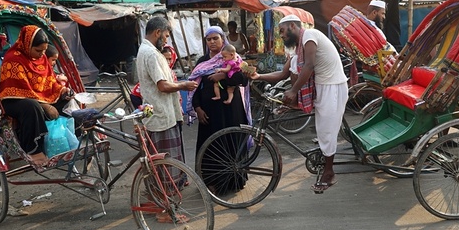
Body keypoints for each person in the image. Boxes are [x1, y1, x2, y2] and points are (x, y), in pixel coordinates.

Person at [250, 15, 348, 194]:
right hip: (322, 86)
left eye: (282, 31)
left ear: (293, 26)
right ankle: (325, 162)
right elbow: (282, 74)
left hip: (332, 86)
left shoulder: (309, 35)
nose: (281, 36)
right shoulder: (297, 50)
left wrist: (294, 91)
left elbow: (309, 66)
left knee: (327, 130)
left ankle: (329, 173)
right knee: (322, 130)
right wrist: (259, 77)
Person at [188, 25, 250, 194]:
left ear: (223, 39)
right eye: (209, 39)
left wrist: (223, 75)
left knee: (232, 142)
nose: (212, 42)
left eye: (216, 38)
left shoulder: (234, 58)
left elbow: (244, 78)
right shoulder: (202, 62)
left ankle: (234, 180)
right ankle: (212, 182)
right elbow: (195, 86)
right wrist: (197, 107)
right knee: (211, 146)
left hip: (232, 111)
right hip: (210, 113)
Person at [0, 25, 72, 167]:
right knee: (32, 107)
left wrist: (62, 90)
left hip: (39, 97)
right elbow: (18, 90)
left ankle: (64, 140)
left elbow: (50, 82)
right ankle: (33, 149)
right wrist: (44, 104)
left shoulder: (43, 58)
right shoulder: (13, 59)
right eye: (38, 50)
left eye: (44, 50)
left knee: (66, 101)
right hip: (13, 99)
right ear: (27, 45)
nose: (41, 54)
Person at [136, 16, 198, 165]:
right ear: (158, 32)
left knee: (159, 161)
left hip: (158, 112)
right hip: (161, 115)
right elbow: (163, 86)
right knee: (165, 162)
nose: (166, 41)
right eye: (166, 36)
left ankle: (160, 187)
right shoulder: (151, 54)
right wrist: (184, 85)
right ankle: (165, 188)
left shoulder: (146, 50)